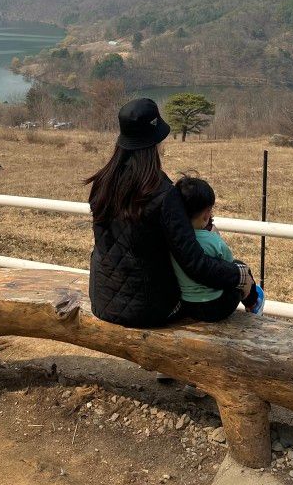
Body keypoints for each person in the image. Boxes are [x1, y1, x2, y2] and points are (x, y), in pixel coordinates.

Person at [87, 97, 256, 327]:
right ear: (155, 142)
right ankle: (255, 307)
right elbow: (195, 264)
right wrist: (240, 275)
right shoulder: (163, 193)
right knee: (233, 277)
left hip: (103, 300)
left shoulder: (103, 182)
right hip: (149, 309)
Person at [171, 175, 265, 321]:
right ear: (206, 214)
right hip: (216, 307)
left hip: (187, 304)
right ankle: (253, 303)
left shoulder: (173, 239)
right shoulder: (213, 240)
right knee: (240, 266)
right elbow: (229, 266)